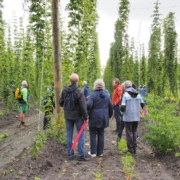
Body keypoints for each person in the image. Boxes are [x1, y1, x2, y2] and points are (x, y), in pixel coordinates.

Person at [59, 73, 89, 161]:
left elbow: (60, 103)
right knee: (80, 134)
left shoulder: (65, 90)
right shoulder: (80, 91)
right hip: (78, 117)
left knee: (69, 134)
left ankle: (70, 155)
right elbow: (83, 106)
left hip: (68, 116)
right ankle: (81, 155)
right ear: (77, 81)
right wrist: (86, 117)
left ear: (70, 81)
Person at [87, 79, 113, 157]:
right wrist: (109, 115)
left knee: (92, 133)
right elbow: (111, 106)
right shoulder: (106, 95)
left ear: (95, 85)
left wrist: (87, 113)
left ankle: (93, 152)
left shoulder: (93, 95)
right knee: (101, 133)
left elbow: (88, 105)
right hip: (103, 116)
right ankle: (100, 152)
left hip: (94, 116)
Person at [120, 80, 144, 154]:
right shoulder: (138, 94)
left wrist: (121, 113)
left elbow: (123, 107)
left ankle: (130, 149)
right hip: (136, 116)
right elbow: (142, 104)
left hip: (128, 116)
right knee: (134, 132)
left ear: (126, 86)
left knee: (129, 132)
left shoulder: (125, 94)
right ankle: (134, 148)